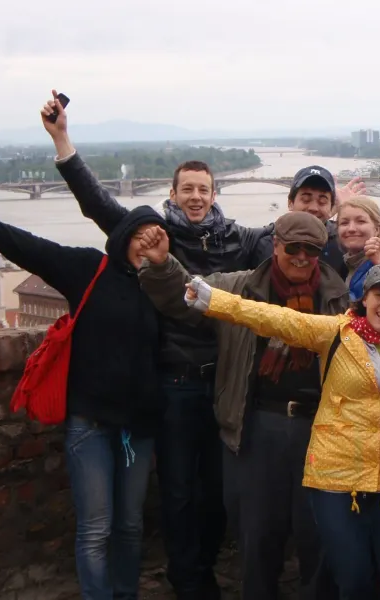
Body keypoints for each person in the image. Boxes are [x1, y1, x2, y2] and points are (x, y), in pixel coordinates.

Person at [40, 91, 264, 597]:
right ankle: (189, 582)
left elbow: (291, 244)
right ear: (173, 191)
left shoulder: (238, 238)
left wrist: (338, 218)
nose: (196, 197)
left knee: (214, 493)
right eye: (187, 189)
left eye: (203, 189)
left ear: (214, 191)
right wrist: (62, 140)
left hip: (223, 383)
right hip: (173, 382)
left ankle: (203, 569)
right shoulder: (153, 233)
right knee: (179, 491)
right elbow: (97, 204)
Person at [176, 261, 380, 600]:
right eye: (379, 294)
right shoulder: (336, 332)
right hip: (335, 474)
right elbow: (273, 318)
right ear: (364, 298)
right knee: (352, 578)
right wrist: (212, 300)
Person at [137, 211, 347, 600]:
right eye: (292, 248)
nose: (301, 257)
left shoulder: (340, 299)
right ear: (277, 246)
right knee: (257, 539)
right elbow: (186, 295)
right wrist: (163, 264)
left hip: (321, 433)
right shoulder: (240, 288)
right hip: (255, 428)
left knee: (319, 540)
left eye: (311, 250)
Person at [0, 203, 166, 599]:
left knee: (129, 525)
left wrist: (162, 266)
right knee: (96, 528)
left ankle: (125, 594)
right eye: (141, 232)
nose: (148, 240)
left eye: (158, 235)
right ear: (124, 233)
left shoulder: (164, 285)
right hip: (89, 424)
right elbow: (23, 245)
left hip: (139, 428)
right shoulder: (89, 269)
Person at [252, 165, 367, 269]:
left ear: (332, 207)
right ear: (290, 203)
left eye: (322, 201)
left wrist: (350, 212)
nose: (314, 208)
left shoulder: (344, 241)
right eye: (306, 199)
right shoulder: (265, 244)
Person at [337, 195, 380, 300]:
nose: (351, 228)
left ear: (377, 229)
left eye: (361, 221)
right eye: (344, 223)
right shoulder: (342, 266)